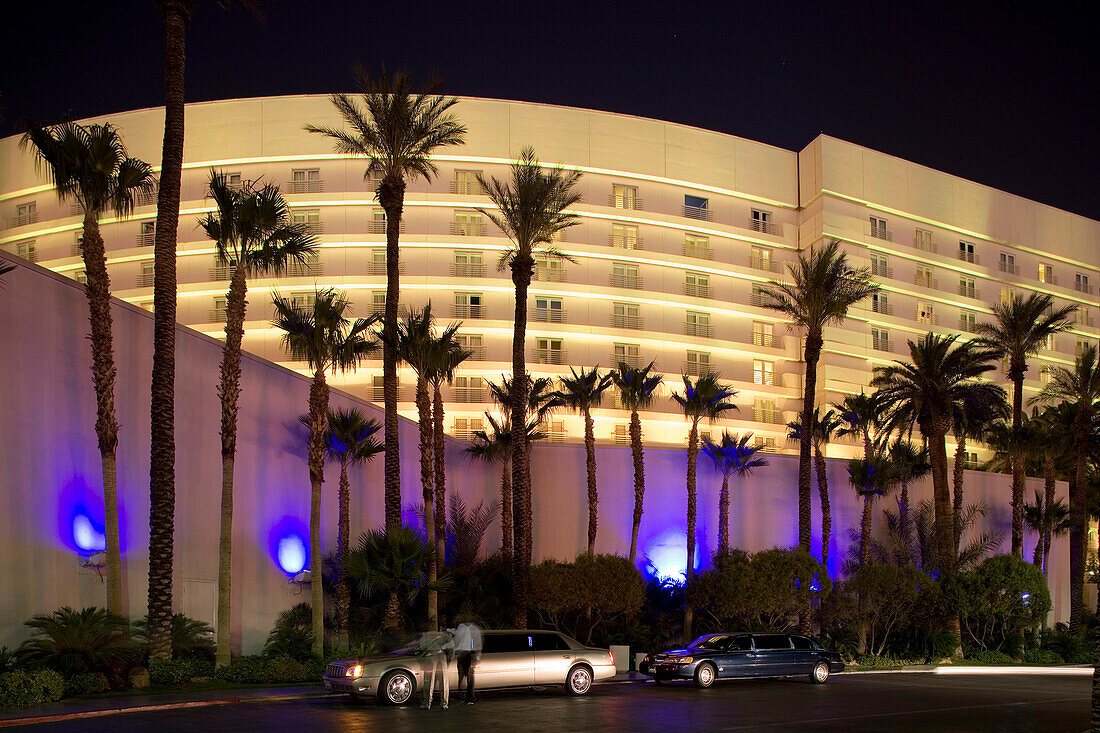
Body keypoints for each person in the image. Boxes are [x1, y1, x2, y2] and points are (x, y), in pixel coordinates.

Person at [419, 630, 453, 710]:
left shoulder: (426, 634)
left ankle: (427, 703)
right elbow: (451, 645)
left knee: (428, 680)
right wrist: (448, 658)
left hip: (430, 657)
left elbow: (422, 646)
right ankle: (444, 704)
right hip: (442, 656)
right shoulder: (444, 634)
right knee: (444, 681)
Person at [452, 621, 483, 705]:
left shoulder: (473, 629)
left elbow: (477, 643)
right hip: (461, 655)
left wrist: (477, 656)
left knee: (469, 678)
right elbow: (456, 640)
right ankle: (463, 697)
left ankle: (469, 698)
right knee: (462, 677)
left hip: (468, 655)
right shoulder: (461, 627)